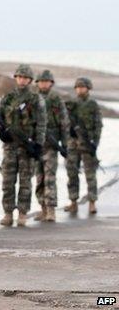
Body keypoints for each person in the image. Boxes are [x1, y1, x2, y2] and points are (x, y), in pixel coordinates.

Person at [0, 64, 46, 227]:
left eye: (25, 78)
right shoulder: (8, 97)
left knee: (25, 182)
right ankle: (8, 213)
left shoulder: (36, 99)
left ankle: (22, 213)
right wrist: (1, 131)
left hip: (27, 147)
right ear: (16, 78)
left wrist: (38, 144)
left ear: (30, 80)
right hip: (9, 147)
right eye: (20, 77)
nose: (22, 80)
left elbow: (42, 123)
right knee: (7, 181)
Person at [33, 70, 69, 222]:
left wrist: (65, 144)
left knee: (50, 178)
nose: (43, 84)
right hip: (35, 144)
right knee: (39, 178)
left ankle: (51, 210)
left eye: (46, 81)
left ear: (51, 83)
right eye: (41, 81)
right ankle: (42, 208)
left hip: (51, 145)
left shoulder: (56, 99)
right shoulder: (33, 98)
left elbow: (64, 122)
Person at [64, 77, 103, 214]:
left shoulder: (93, 104)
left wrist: (95, 143)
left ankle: (92, 202)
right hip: (73, 144)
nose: (80, 89)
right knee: (72, 173)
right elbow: (64, 122)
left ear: (88, 88)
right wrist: (68, 131)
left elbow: (98, 125)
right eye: (78, 87)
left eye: (82, 87)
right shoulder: (70, 104)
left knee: (90, 174)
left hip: (87, 144)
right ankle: (73, 201)